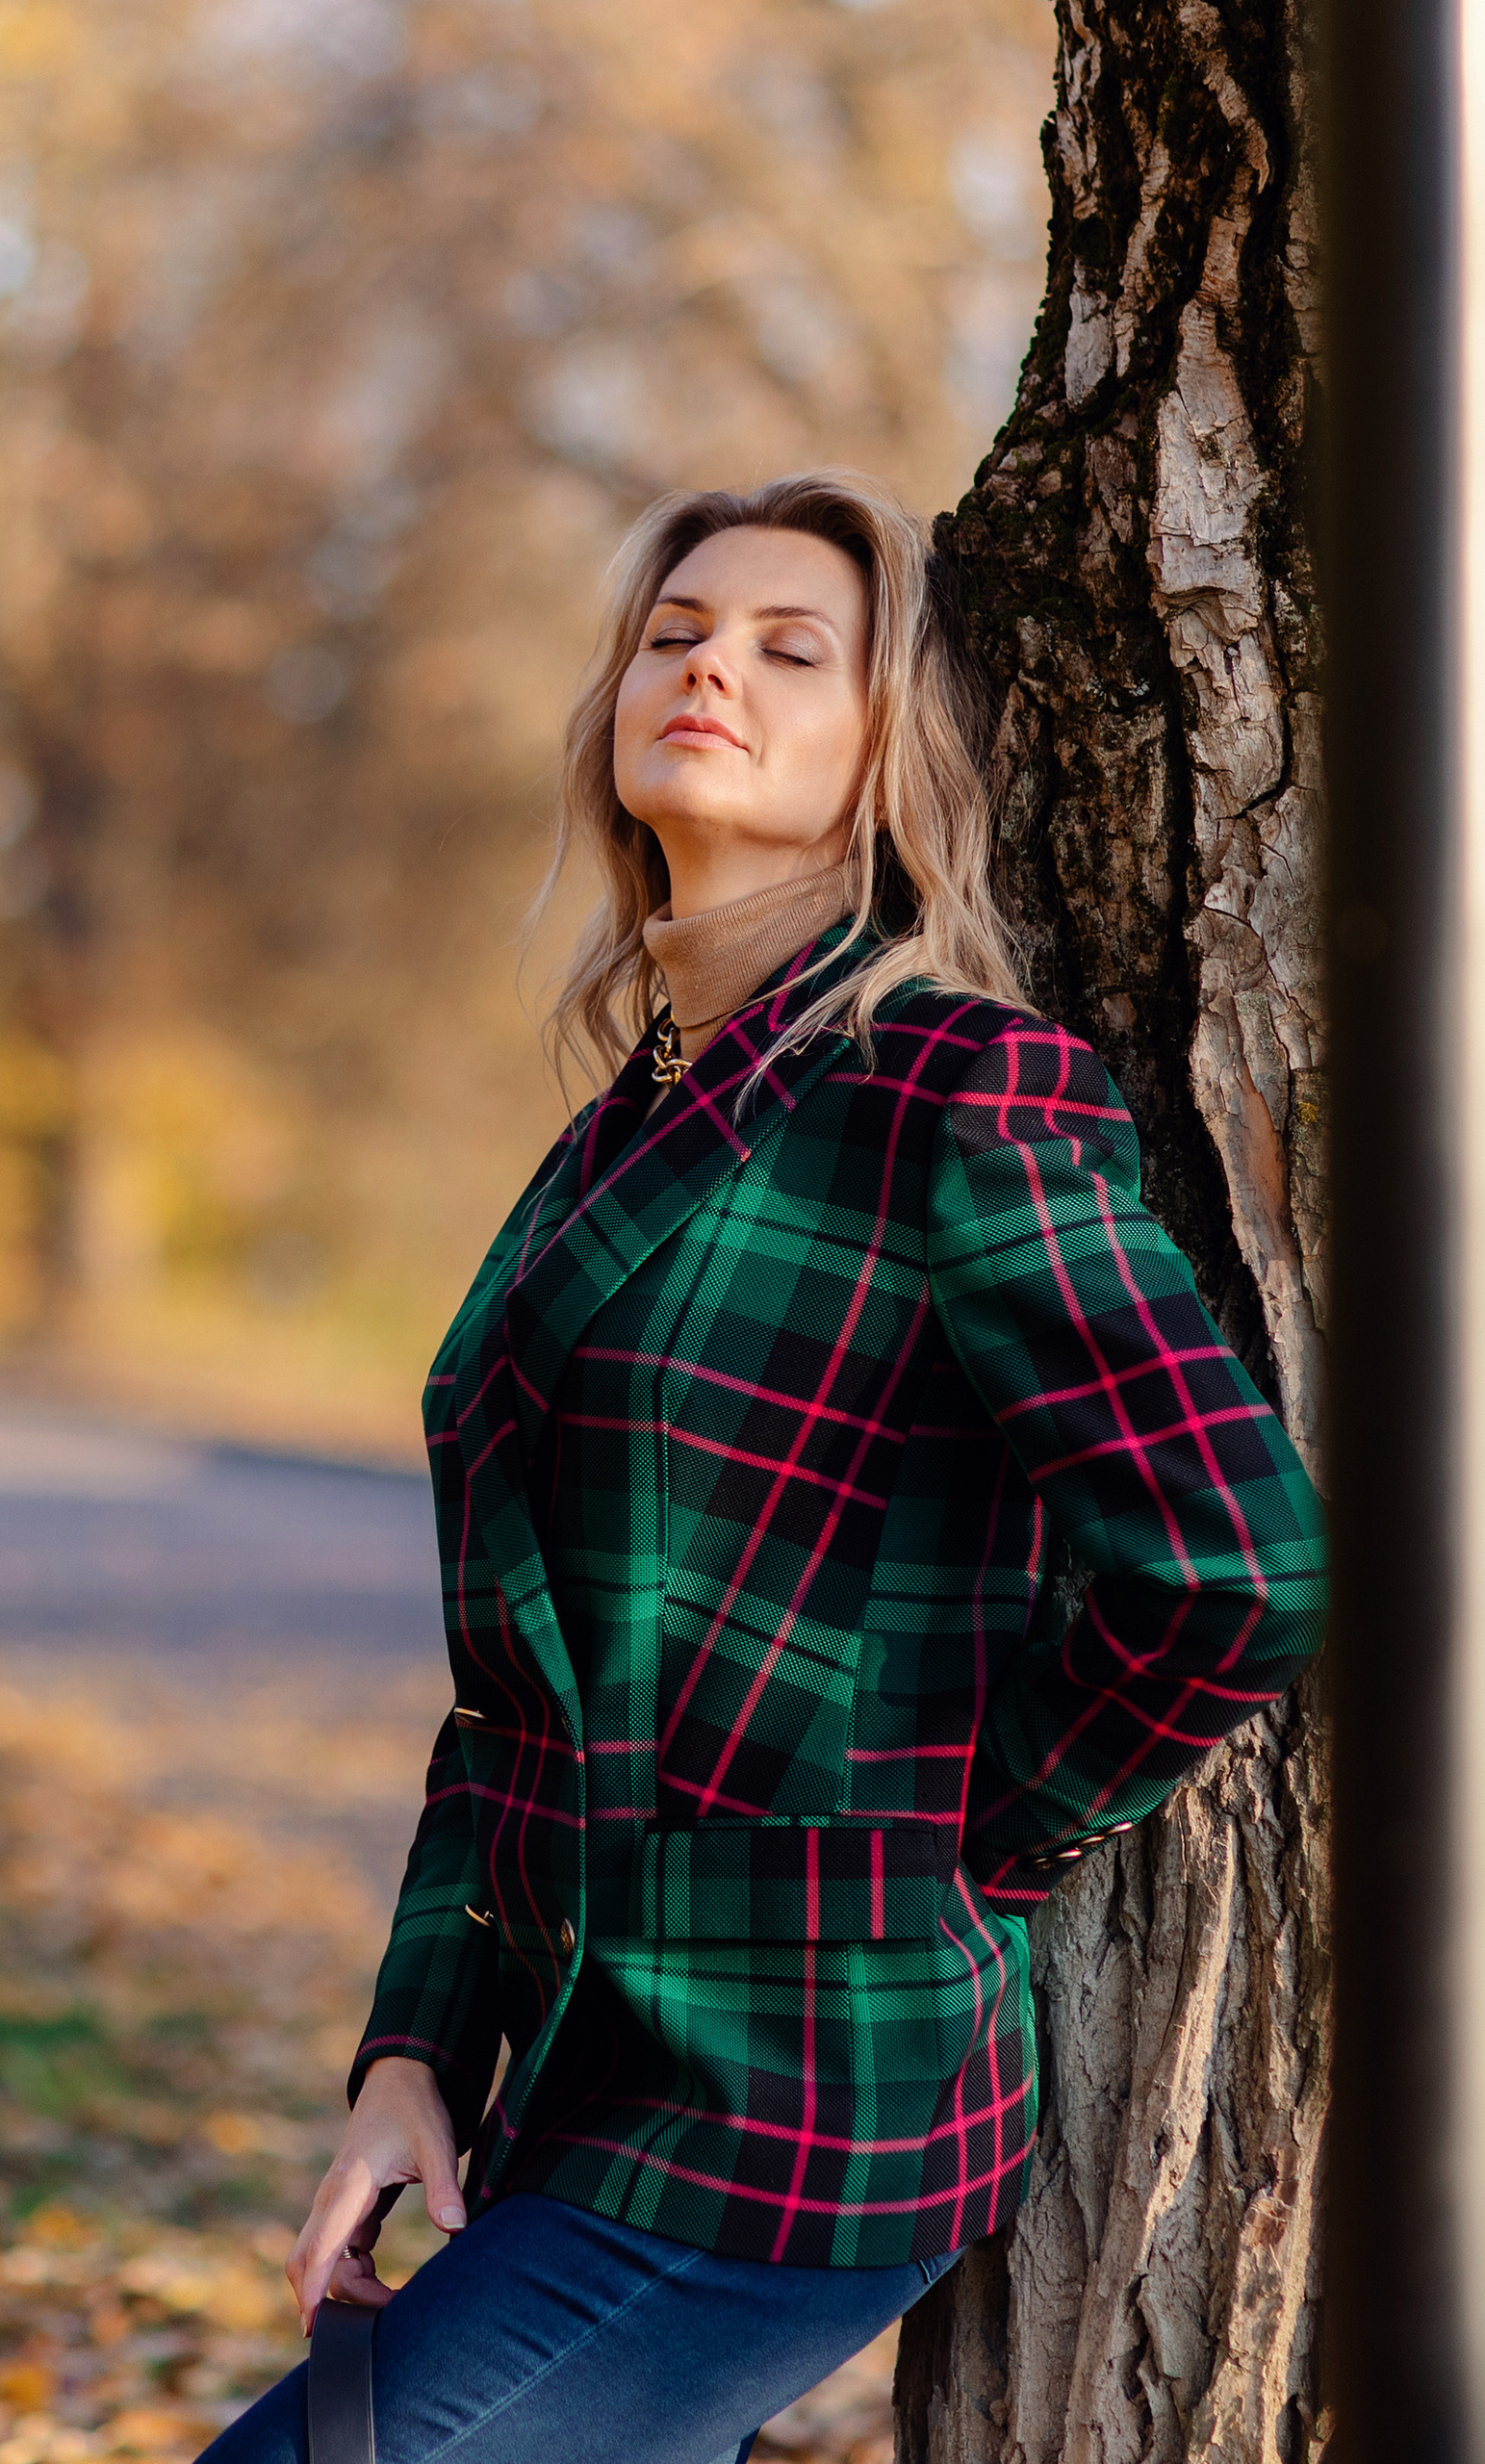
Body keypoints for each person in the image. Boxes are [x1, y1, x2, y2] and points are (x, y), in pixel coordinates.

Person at [199, 471, 1326, 2464]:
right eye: (671, 631)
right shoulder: (605, 1138)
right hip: (565, 2072)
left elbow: (1230, 1567)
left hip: (803, 2099)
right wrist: (410, 2048)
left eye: (789, 648)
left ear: (884, 752)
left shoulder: (955, 1091)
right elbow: (509, 1692)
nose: (706, 662)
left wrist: (979, 1832)